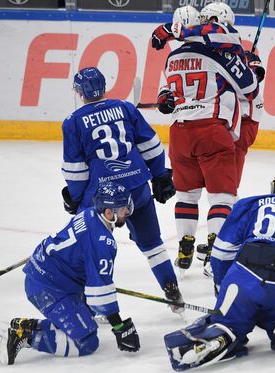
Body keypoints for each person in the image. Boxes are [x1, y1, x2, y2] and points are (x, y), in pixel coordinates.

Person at [163, 170, 275, 370]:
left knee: (230, 320)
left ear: (273, 187)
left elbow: (221, 253)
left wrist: (223, 287)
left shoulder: (249, 204)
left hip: (246, 280)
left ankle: (222, 332)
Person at [60, 67, 183, 311]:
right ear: (104, 86)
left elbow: (76, 170)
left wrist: (76, 199)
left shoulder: (73, 122)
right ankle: (172, 289)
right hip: (137, 186)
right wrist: (159, 175)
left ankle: (90, 304)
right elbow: (151, 145)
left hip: (102, 196)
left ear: (78, 92)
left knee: (91, 245)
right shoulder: (125, 108)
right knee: (153, 244)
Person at [153, 4, 262, 277]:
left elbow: (167, 94)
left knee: (187, 194)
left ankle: (185, 244)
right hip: (212, 130)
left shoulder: (172, 58)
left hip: (179, 134)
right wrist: (249, 68)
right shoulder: (220, 53)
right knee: (222, 196)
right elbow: (249, 89)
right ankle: (215, 251)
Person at [0, 182, 140, 365]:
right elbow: (100, 292)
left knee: (87, 318)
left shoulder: (89, 213)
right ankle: (22, 335)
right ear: (109, 212)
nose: (127, 211)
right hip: (48, 287)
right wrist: (119, 326)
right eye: (123, 208)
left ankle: (26, 326)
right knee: (86, 342)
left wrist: (97, 284)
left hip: (50, 274)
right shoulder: (102, 241)